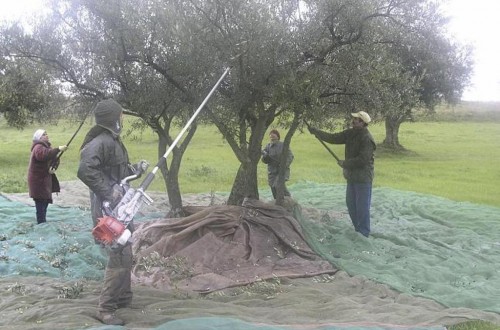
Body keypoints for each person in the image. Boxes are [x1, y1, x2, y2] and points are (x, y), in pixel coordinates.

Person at [77, 99, 147, 326]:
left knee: (125, 250)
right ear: (113, 119)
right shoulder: (100, 142)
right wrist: (109, 192)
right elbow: (85, 170)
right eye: (121, 116)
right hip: (108, 209)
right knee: (118, 254)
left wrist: (135, 169)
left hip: (121, 207)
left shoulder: (113, 142)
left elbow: (118, 169)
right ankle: (105, 308)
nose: (123, 119)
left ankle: (124, 298)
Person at [308, 111, 376, 237]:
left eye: (357, 119)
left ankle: (364, 233)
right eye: (354, 118)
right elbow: (333, 138)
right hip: (351, 176)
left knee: (362, 208)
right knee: (351, 205)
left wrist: (345, 163)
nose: (354, 120)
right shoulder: (350, 133)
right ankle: (358, 229)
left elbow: (363, 160)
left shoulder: (367, 138)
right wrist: (317, 132)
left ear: (363, 123)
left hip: (363, 177)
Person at [27, 129, 67, 224]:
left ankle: (42, 222)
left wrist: (54, 167)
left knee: (44, 201)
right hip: (38, 181)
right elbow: (44, 155)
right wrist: (58, 149)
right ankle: (41, 223)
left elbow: (54, 159)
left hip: (44, 180)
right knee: (41, 203)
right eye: (43, 134)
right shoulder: (38, 147)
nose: (46, 135)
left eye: (46, 134)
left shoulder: (46, 147)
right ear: (39, 138)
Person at [261, 129, 294, 199]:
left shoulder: (283, 145)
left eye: (274, 133)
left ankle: (289, 199)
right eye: (271, 134)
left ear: (278, 136)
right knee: (273, 187)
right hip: (272, 172)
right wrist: (265, 156)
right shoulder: (268, 147)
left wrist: (284, 165)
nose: (272, 135)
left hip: (282, 171)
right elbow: (265, 161)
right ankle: (277, 202)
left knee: (278, 184)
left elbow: (290, 156)